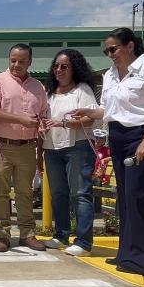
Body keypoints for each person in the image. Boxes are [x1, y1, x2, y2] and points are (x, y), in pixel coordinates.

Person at [71, 27, 144, 275]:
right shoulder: (110, 76)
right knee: (126, 198)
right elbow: (107, 110)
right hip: (119, 136)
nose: (110, 54)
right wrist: (88, 112)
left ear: (130, 45)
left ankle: (142, 260)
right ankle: (127, 254)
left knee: (142, 198)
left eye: (113, 49)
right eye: (106, 50)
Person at [0, 43, 49, 252]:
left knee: (25, 192)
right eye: (13, 60)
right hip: (1, 145)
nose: (16, 64)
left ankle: (27, 234)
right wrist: (21, 119)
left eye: (21, 61)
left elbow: (43, 116)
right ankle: (2, 235)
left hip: (28, 147)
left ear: (30, 62)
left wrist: (42, 136)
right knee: (0, 192)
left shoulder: (38, 86)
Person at [39, 49, 98, 257]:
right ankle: (61, 235)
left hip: (78, 147)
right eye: (56, 66)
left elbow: (90, 119)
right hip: (52, 148)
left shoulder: (82, 90)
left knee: (80, 194)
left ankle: (83, 242)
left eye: (64, 66)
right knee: (58, 194)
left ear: (75, 68)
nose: (59, 70)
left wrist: (64, 122)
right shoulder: (49, 93)